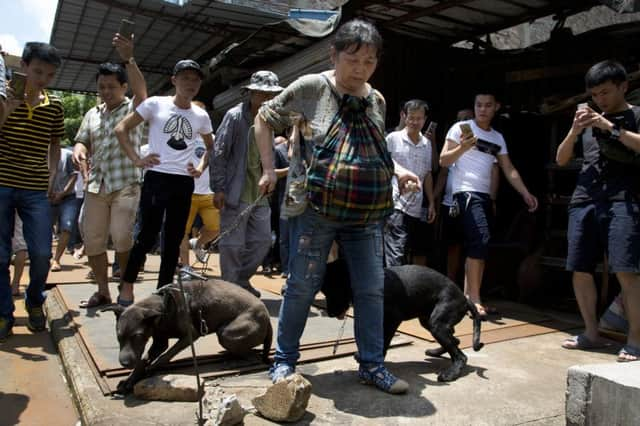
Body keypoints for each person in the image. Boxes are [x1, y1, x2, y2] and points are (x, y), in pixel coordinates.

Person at [255, 19, 419, 394]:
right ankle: (284, 362)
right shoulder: (312, 87)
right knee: (301, 286)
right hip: (315, 208)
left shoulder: (376, 99)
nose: (360, 69)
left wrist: (401, 169)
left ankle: (372, 365)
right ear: (334, 54)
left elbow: (373, 152)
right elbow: (263, 119)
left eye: (369, 61)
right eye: (353, 59)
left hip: (365, 213)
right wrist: (268, 168)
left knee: (371, 288)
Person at [556, 60, 640, 362]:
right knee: (580, 267)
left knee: (626, 270)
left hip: (624, 199)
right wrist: (575, 131)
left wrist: (609, 127)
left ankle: (635, 341)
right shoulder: (587, 120)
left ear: (623, 86)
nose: (599, 100)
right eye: (594, 95)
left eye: (605, 93)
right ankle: (591, 332)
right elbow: (562, 158)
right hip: (585, 198)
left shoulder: (635, 115)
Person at [115, 59, 213, 300]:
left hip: (183, 182)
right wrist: (137, 159)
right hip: (157, 178)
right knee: (147, 234)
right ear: (174, 80)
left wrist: (200, 167)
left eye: (195, 79)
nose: (190, 83)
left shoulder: (200, 115)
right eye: (185, 78)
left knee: (174, 238)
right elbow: (121, 129)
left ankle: (164, 291)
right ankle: (126, 286)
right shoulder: (156, 104)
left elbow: (212, 146)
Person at [440, 90, 538, 318]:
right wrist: (463, 147)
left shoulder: (497, 138)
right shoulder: (460, 129)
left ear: (496, 107)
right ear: (474, 107)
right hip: (465, 193)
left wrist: (525, 192)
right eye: (479, 105)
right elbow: (443, 160)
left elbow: (508, 168)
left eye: (487, 105)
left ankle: (469, 298)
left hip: (484, 195)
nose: (482, 109)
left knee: (479, 245)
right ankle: (474, 299)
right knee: (480, 240)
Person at [72, 33, 147, 308]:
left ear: (123, 87)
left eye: (111, 87)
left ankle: (125, 287)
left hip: (126, 182)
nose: (105, 91)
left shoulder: (135, 108)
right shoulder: (93, 113)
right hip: (96, 185)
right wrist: (80, 149)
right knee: (92, 240)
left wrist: (129, 58)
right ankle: (102, 290)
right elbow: (82, 139)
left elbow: (142, 93)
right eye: (101, 87)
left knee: (122, 236)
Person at [0, 42, 64, 340]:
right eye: (37, 71)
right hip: (2, 183)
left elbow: (54, 144)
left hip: (36, 188)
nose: (42, 79)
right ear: (23, 66)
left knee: (40, 253)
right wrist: (5, 110)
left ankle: (34, 299)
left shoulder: (55, 105)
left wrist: (52, 175)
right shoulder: (3, 97)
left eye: (49, 75)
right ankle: (3, 312)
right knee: (0, 255)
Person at [211, 70, 283, 297]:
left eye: (271, 95)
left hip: (259, 192)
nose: (266, 99)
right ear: (251, 94)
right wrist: (219, 187)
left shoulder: (271, 120)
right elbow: (219, 153)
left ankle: (240, 281)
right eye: (262, 94)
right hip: (235, 189)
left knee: (262, 241)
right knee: (232, 244)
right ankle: (230, 291)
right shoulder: (234, 116)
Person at [384, 99, 436, 267]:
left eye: (419, 118)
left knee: (412, 250)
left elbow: (427, 174)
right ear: (404, 116)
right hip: (395, 203)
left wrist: (432, 202)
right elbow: (383, 166)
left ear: (425, 119)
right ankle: (393, 290)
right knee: (395, 250)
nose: (415, 122)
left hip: (416, 206)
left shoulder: (427, 144)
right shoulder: (392, 138)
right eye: (411, 117)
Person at [178, 100, 219, 280]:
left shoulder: (214, 139)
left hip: (209, 192)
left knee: (216, 228)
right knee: (182, 232)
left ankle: (199, 243)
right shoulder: (181, 136)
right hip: (186, 192)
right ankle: (186, 267)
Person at [49, 147, 78, 272]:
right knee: (43, 228)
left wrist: (62, 193)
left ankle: (56, 259)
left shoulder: (67, 155)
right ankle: (46, 257)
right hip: (47, 197)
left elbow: (74, 176)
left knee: (67, 227)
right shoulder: (38, 154)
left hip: (68, 197)